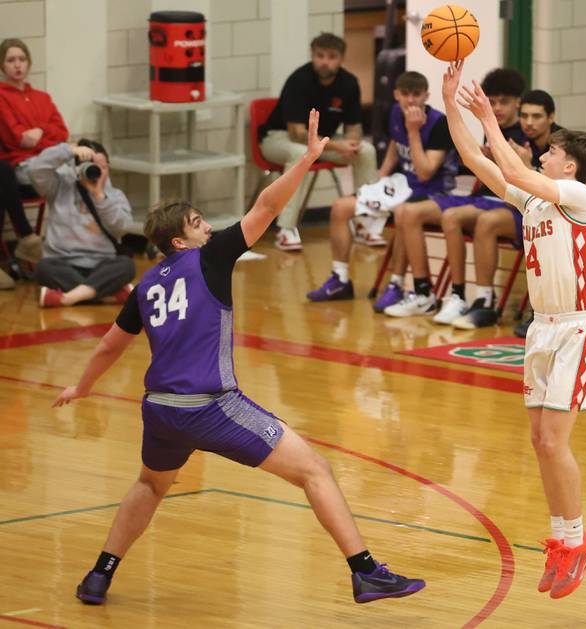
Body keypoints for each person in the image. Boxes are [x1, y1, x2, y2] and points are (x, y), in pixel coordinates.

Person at [54, 110, 424, 607]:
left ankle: (99, 574)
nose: (210, 227)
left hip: (160, 409)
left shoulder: (145, 284)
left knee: (149, 484)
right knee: (315, 469)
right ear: (180, 241)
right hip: (210, 405)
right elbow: (268, 206)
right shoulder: (208, 257)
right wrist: (308, 159)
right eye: (198, 223)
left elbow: (108, 346)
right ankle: (366, 572)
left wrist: (82, 386)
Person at [443, 60, 586, 599]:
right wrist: (451, 103)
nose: (544, 150)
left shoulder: (581, 199)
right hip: (540, 330)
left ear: (571, 166)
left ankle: (580, 540)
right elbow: (476, 160)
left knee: (555, 441)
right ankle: (562, 541)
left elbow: (511, 168)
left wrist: (489, 114)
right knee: (540, 442)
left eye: (553, 149)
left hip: (578, 330)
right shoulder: (534, 197)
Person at [306, 71, 458, 312]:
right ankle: (340, 279)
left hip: (433, 190)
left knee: (403, 214)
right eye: (405, 94)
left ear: (426, 96)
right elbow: (395, 145)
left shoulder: (439, 123)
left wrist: (413, 132)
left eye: (416, 95)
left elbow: (425, 172)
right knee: (340, 208)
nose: (410, 100)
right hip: (402, 182)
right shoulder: (395, 112)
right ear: (397, 95)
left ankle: (396, 285)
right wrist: (381, 176)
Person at [382, 68, 526, 319]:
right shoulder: (491, 126)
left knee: (452, 217)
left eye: (504, 101)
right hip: (481, 197)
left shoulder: (527, 133)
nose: (498, 107)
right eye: (492, 102)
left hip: (509, 203)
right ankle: (423, 293)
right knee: (407, 211)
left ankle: (459, 295)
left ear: (518, 102)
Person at [259, 33, 376, 251]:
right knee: (299, 153)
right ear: (312, 56)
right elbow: (297, 133)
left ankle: (366, 223)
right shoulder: (299, 80)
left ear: (341, 59)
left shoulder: (349, 83)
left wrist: (352, 144)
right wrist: (337, 146)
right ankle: (286, 230)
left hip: (322, 142)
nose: (325, 62)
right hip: (278, 138)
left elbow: (354, 127)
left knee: (366, 151)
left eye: (331, 57)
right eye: (320, 56)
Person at [460, 89, 561, 332]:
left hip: (557, 215)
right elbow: (510, 194)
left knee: (542, 232)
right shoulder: (513, 139)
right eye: (524, 116)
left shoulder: (560, 145)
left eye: (536, 116)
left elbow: (553, 194)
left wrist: (526, 167)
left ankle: (542, 311)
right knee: (486, 221)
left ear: (551, 118)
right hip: (524, 209)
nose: (529, 122)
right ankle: (485, 299)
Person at [26, 139, 135, 308]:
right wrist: (69, 151)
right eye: (91, 167)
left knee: (126, 265)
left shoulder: (115, 195)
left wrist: (99, 196)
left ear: (109, 168)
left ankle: (68, 298)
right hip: (63, 262)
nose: (97, 172)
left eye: (102, 167)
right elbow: (34, 169)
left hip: (102, 264)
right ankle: (102, 294)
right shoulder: (59, 186)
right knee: (43, 267)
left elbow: (123, 227)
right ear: (77, 168)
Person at [0, 38, 68, 269]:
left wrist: (40, 131)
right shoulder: (2, 96)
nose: (17, 65)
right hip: (23, 165)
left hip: (50, 162)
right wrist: (45, 136)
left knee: (80, 174)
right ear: (2, 66)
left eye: (22, 59)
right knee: (67, 179)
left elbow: (62, 132)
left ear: (29, 63)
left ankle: (76, 246)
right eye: (11, 60)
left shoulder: (42, 97)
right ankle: (51, 248)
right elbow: (18, 138)